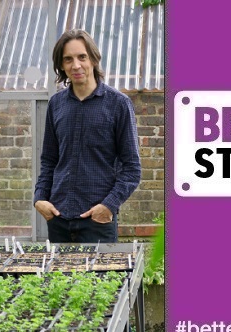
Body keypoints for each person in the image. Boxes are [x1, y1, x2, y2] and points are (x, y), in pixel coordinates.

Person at [34, 29, 141, 244]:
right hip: (58, 217)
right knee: (57, 279)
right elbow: (49, 160)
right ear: (61, 66)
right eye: (68, 59)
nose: (76, 65)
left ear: (93, 58)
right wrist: (40, 199)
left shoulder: (118, 104)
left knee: (100, 279)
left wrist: (108, 206)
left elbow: (132, 168)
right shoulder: (56, 104)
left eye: (82, 57)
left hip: (98, 221)